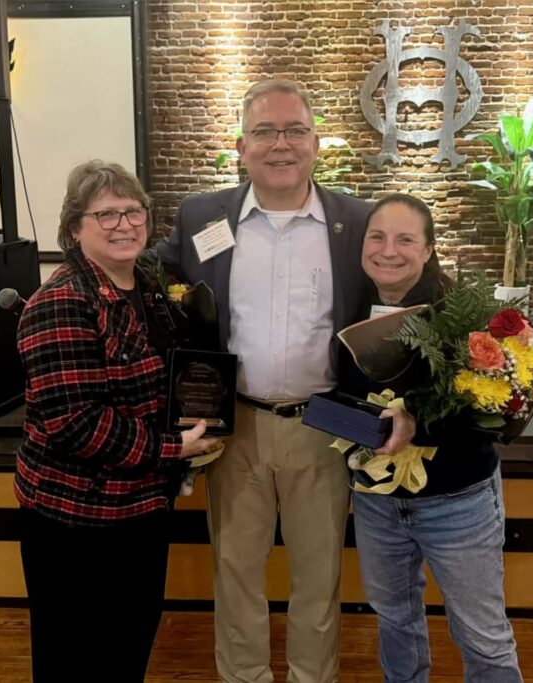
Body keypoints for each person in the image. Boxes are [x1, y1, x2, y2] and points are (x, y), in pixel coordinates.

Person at [155, 79, 372, 683]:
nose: (281, 144)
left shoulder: (354, 222)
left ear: (316, 143)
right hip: (233, 428)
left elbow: (408, 283)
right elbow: (149, 274)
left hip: (323, 426)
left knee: (319, 577)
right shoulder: (203, 216)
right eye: (265, 131)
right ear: (241, 146)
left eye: (295, 130)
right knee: (235, 573)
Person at [14, 160, 221, 682]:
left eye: (134, 211)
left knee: (126, 648)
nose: (124, 224)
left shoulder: (148, 288)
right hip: (75, 520)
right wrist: (175, 447)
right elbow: (77, 425)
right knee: (76, 657)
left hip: (140, 509)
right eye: (106, 214)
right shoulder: (61, 301)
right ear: (74, 228)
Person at [340, 193, 523, 682]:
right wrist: (366, 428)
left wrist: (420, 417)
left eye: (405, 239)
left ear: (428, 249)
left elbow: (495, 415)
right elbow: (336, 401)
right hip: (378, 502)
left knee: (482, 635)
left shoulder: (464, 317)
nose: (388, 250)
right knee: (396, 622)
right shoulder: (347, 307)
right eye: (376, 237)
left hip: (456, 501)